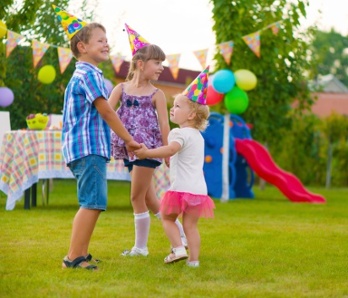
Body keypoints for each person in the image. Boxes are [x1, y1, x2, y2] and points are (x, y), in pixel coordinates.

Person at [52, 6, 140, 270]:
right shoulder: (87, 74)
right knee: (92, 202)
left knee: (93, 201)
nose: (106, 44)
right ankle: (73, 257)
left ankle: (81, 252)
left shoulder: (87, 74)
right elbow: (106, 110)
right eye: (100, 40)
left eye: (106, 40)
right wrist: (128, 139)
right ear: (82, 47)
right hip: (87, 149)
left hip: (87, 149)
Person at [109, 24, 186, 257]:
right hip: (130, 149)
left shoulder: (157, 94)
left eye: (162, 63)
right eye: (157, 63)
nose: (161, 68)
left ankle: (140, 248)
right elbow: (106, 112)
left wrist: (167, 152)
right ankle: (181, 236)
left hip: (147, 150)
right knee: (151, 199)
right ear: (141, 64)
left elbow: (165, 125)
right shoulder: (121, 89)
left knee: (136, 197)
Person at [134, 66, 215, 267]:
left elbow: (170, 150)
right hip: (198, 190)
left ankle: (178, 249)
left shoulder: (178, 133)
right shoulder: (198, 136)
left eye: (178, 106)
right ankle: (193, 262)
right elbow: (183, 157)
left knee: (168, 218)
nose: (173, 108)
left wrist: (147, 153)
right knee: (191, 226)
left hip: (180, 189)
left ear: (191, 115)